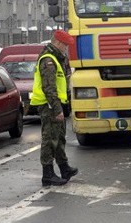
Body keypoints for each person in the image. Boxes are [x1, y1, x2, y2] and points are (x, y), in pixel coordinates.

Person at [30, 30, 78, 186]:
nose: (66, 48)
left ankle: (64, 168)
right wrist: (57, 109)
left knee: (59, 137)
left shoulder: (57, 58)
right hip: (49, 106)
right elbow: (49, 88)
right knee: (50, 140)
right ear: (58, 43)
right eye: (65, 45)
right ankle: (48, 174)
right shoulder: (48, 60)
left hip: (56, 104)